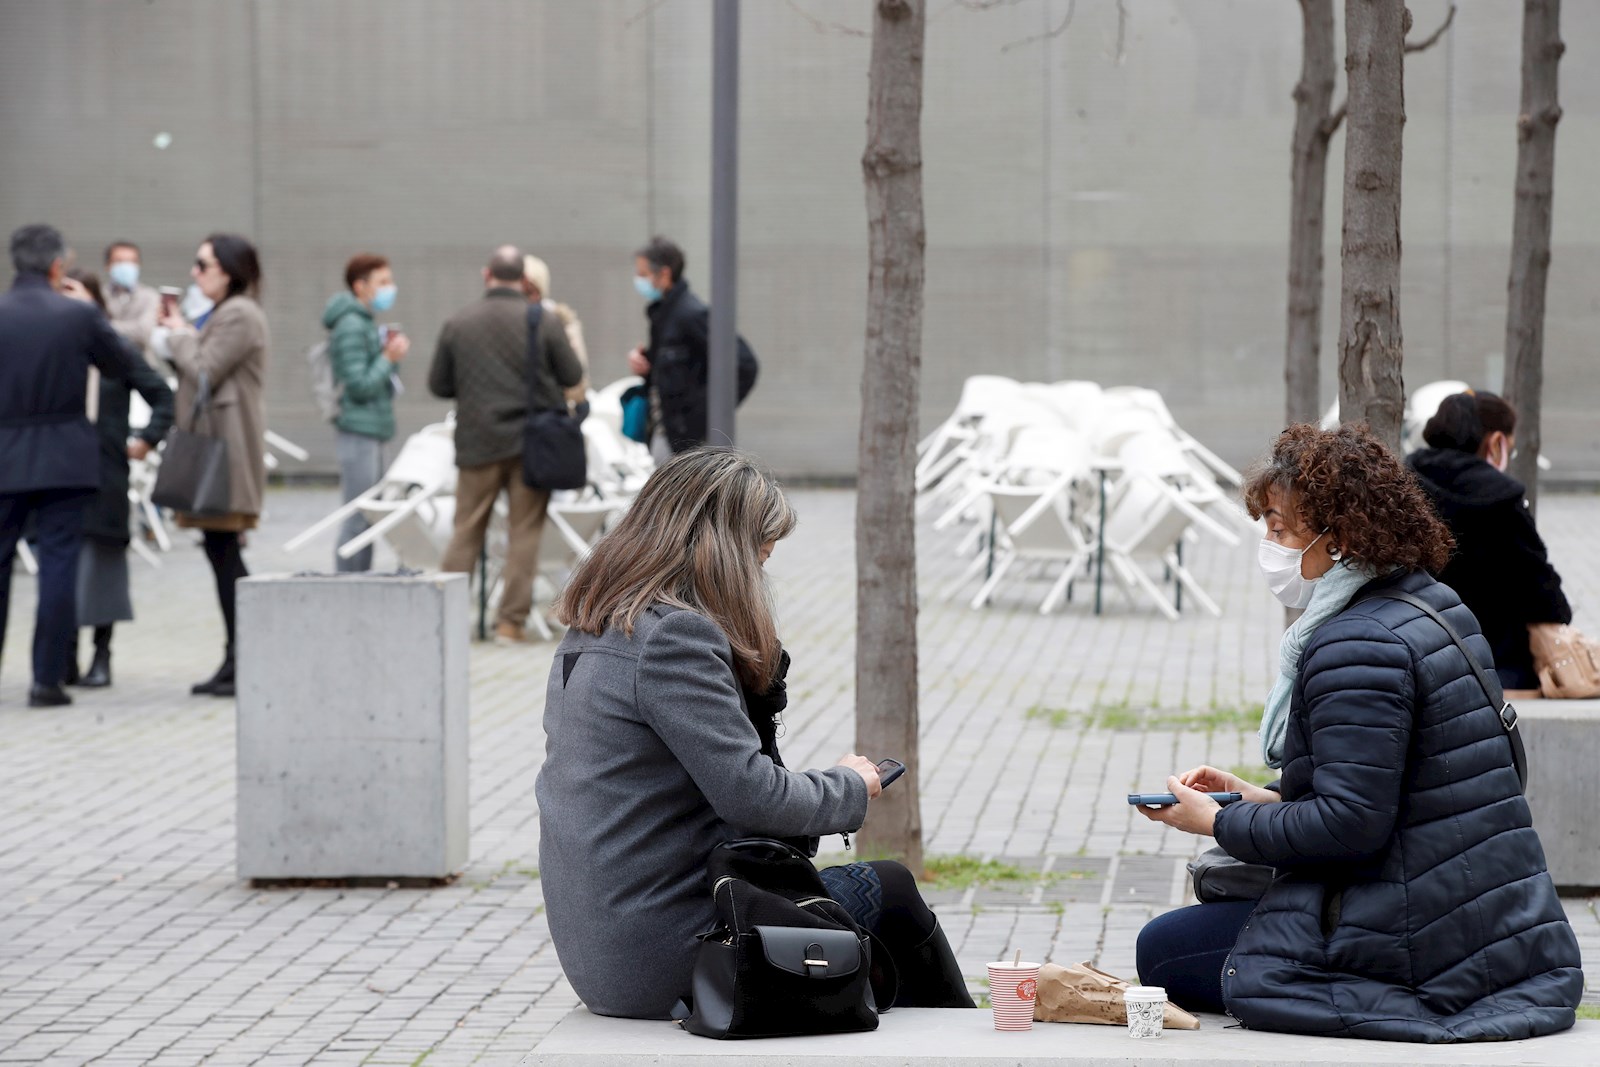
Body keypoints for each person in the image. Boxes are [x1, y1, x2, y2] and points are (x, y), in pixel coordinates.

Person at [1133, 424, 1581, 1042]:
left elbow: (1350, 827)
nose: (1268, 543)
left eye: (1282, 528)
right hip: (1486, 914)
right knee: (1208, 919)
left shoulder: (1355, 642)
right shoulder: (1433, 604)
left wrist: (1215, 823)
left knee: (1160, 950)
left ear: (1339, 538)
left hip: (1413, 941)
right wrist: (1257, 797)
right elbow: (1398, 787)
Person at [536, 448, 972, 1020]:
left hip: (604, 949)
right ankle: (964, 1037)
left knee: (863, 902)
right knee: (889, 890)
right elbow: (754, 798)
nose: (763, 572)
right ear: (724, 551)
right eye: (760, 556)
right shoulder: (675, 640)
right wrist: (851, 785)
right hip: (668, 953)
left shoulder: (595, 629)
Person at [0, 224, 148, 706]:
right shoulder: (78, 316)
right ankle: (47, 678)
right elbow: (126, 366)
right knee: (58, 564)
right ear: (57, 266)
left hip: (5, 454)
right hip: (66, 455)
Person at [428, 245, 583, 643]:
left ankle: (443, 622)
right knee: (524, 533)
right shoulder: (542, 320)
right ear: (525, 281)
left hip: (477, 444)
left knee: (466, 531)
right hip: (532, 446)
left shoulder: (458, 322)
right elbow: (571, 373)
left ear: (487, 275)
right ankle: (509, 624)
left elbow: (439, 384)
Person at [158, 234, 269, 698]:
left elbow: (203, 369)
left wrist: (179, 334)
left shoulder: (239, 313)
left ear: (228, 269)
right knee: (221, 552)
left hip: (226, 455)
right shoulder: (227, 313)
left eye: (203, 265)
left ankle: (246, 658)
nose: (195, 273)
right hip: (218, 451)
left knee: (226, 555)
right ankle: (238, 657)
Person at [1407, 391, 1570, 696]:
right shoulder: (1502, 498)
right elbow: (1540, 591)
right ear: (1494, 441)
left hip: (1418, 657)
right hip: (1499, 667)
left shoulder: (1404, 483)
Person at [61, 269, 175, 688]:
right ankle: (64, 655)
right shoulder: (53, 348)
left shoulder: (114, 350)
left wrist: (146, 440)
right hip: (62, 472)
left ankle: (102, 653)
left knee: (104, 564)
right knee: (64, 566)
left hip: (105, 470)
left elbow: (163, 394)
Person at [626, 236, 758, 461]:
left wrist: (701, 419)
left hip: (684, 439)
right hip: (665, 431)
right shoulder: (663, 315)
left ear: (664, 274)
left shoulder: (690, 314)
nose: (638, 280)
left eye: (643, 274)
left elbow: (745, 365)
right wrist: (647, 367)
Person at [323, 253, 408, 572]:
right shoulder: (350, 324)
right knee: (358, 515)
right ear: (360, 286)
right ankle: (347, 584)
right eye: (382, 282)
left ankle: (359, 581)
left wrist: (389, 357)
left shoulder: (363, 321)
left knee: (368, 515)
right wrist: (388, 357)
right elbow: (358, 384)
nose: (390, 288)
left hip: (373, 428)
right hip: (359, 430)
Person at [522, 254, 589, 407]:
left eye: (530, 292)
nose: (524, 300)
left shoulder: (561, 323)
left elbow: (578, 385)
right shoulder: (501, 324)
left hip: (552, 414)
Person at [102, 240, 161, 367]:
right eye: (119, 261)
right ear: (108, 265)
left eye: (131, 262)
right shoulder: (99, 296)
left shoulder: (150, 296)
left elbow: (143, 332)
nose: (126, 266)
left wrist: (107, 327)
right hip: (106, 367)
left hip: (142, 366)